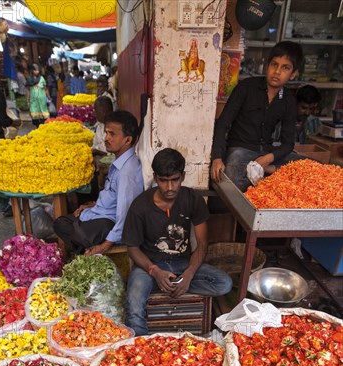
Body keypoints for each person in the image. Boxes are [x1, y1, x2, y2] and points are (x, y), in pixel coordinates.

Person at [122, 148, 233, 336]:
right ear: (156, 178)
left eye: (174, 180)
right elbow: (132, 248)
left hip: (183, 263)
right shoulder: (140, 206)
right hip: (149, 265)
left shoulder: (192, 200)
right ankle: (142, 346)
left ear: (182, 176)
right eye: (164, 181)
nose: (170, 187)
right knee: (133, 305)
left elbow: (202, 245)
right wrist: (155, 272)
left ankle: (168, 283)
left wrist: (189, 275)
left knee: (224, 283)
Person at [211, 41, 304, 191]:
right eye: (274, 64)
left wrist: (266, 160)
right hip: (240, 151)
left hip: (267, 154)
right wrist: (217, 158)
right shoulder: (246, 87)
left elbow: (288, 144)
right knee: (232, 178)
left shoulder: (288, 100)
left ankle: (268, 170)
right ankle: (265, 177)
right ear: (268, 65)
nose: (277, 71)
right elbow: (222, 124)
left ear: (293, 74)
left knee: (306, 165)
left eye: (285, 68)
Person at [53, 110, 144, 255]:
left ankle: (88, 249)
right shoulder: (118, 162)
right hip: (100, 214)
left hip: (109, 223)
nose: (106, 138)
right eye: (106, 133)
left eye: (112, 134)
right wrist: (92, 205)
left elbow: (126, 215)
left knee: (74, 229)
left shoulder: (128, 172)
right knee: (61, 222)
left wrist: (105, 246)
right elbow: (113, 196)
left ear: (127, 140)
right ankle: (84, 246)